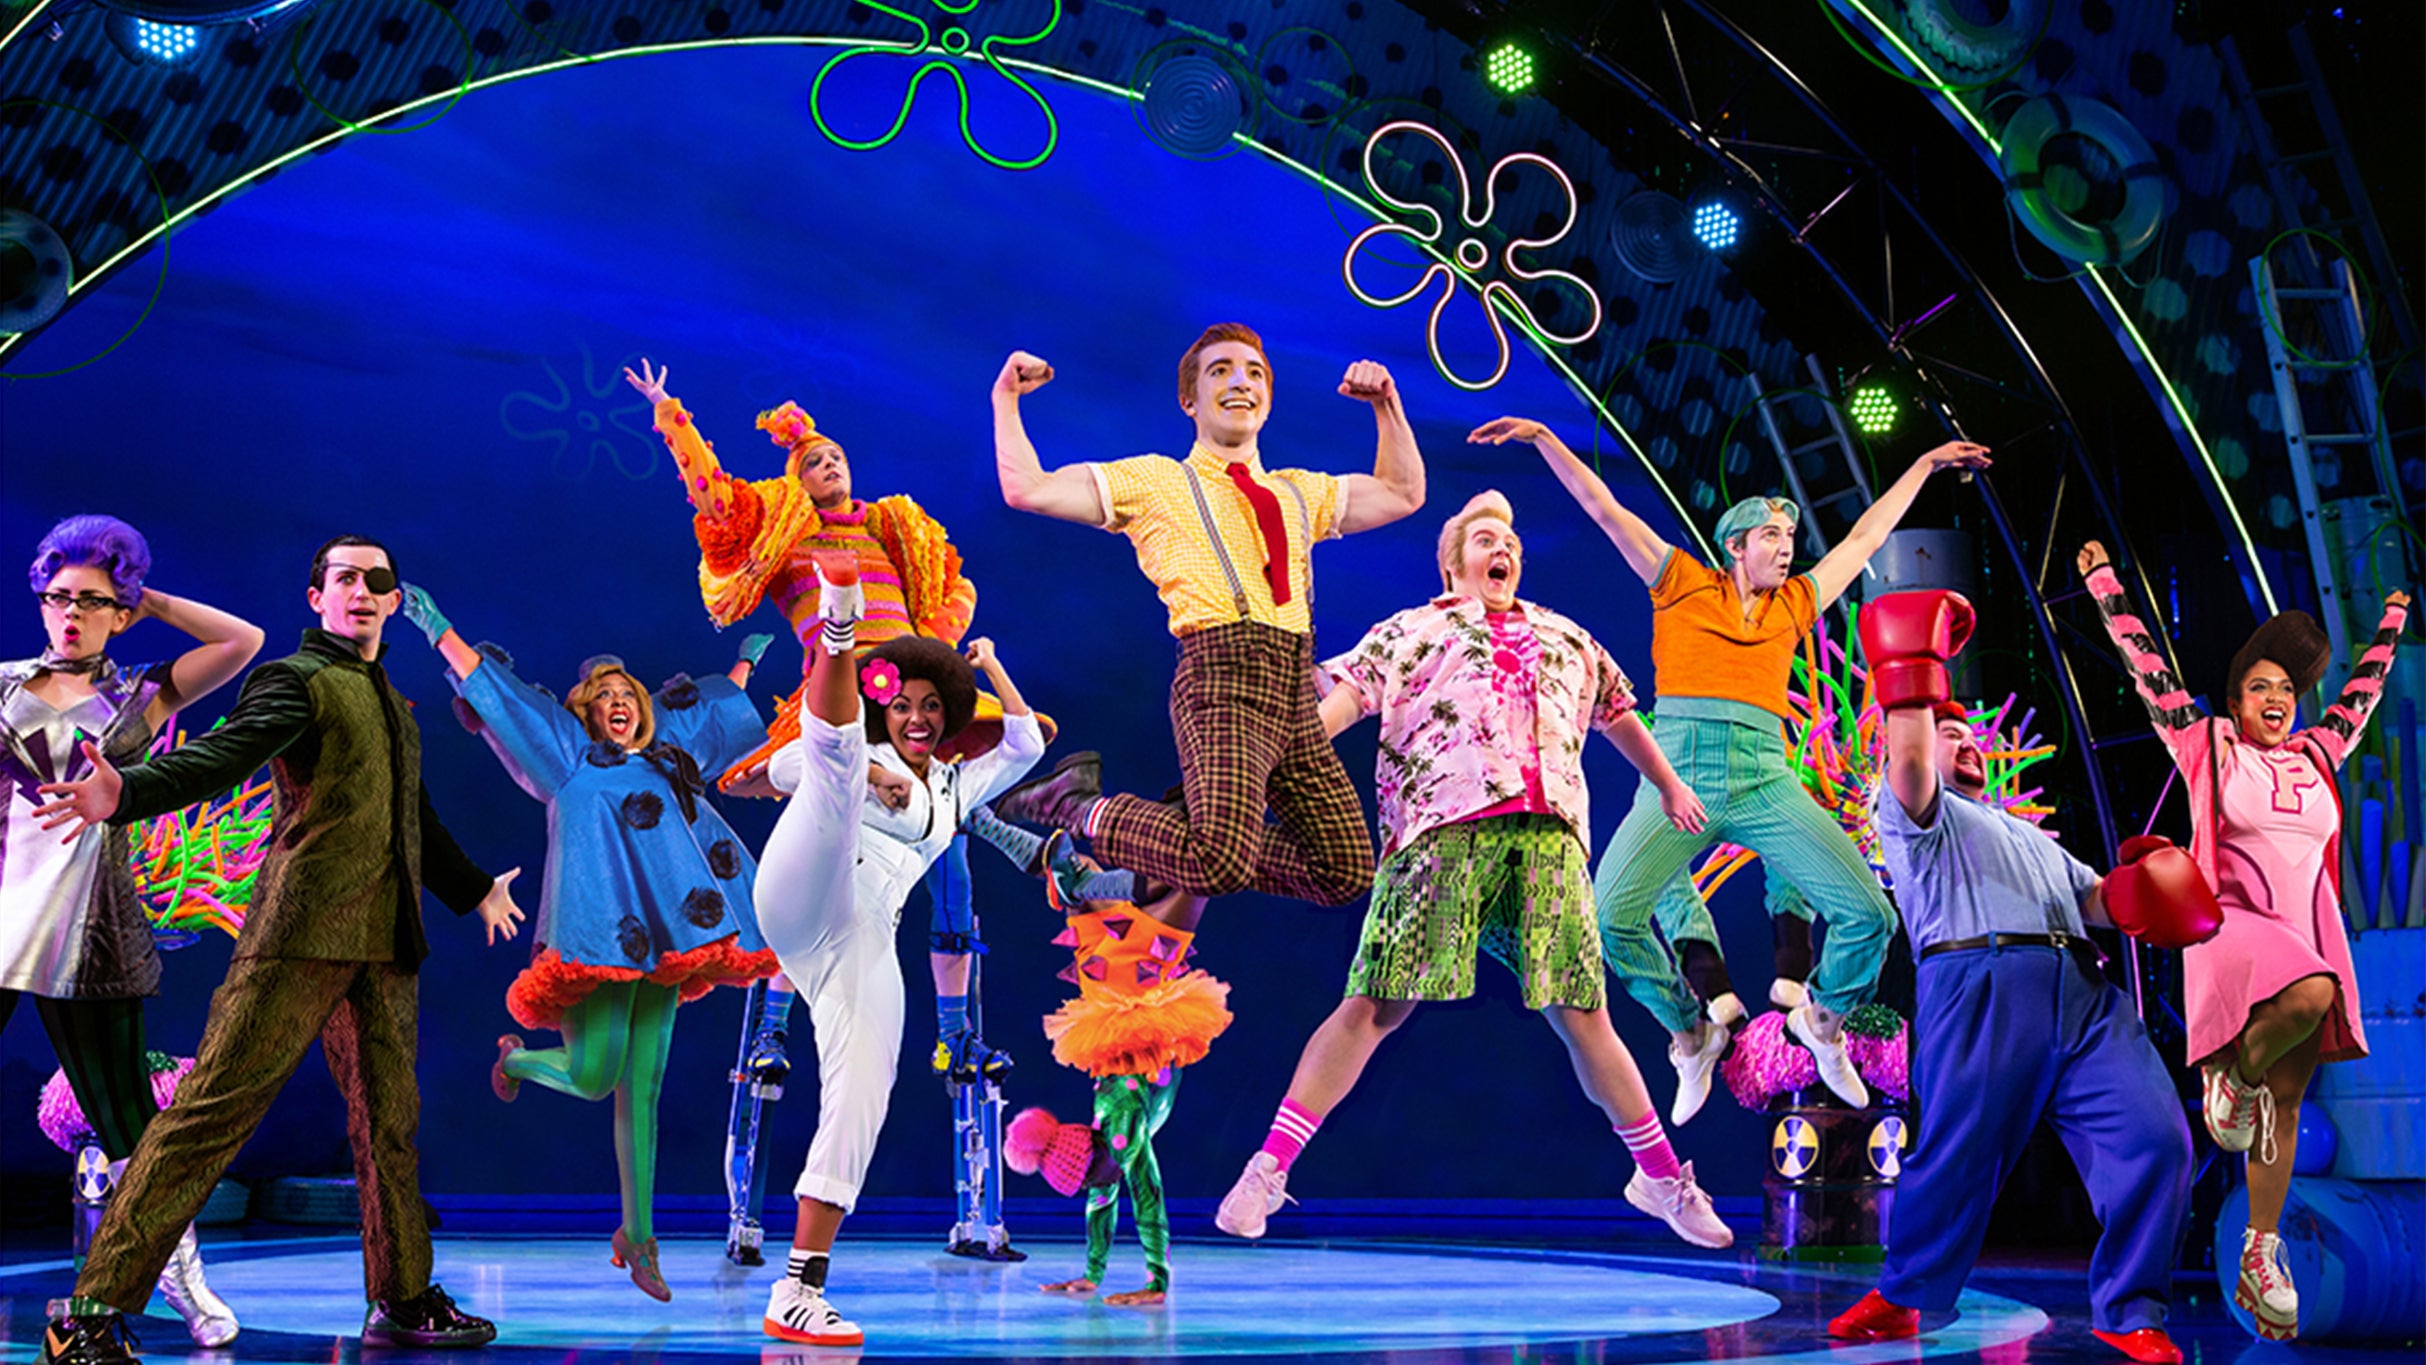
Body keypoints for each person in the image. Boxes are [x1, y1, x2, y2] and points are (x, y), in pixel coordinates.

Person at [33, 536, 525, 1365]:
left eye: (376, 581)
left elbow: (412, 817)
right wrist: (129, 791)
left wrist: (475, 888)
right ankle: (87, 1311)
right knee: (207, 1116)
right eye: (344, 578)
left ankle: (403, 1295)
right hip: (299, 935)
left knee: (390, 1126)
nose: (361, 591)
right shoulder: (296, 680)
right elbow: (223, 756)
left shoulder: (389, 700)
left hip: (384, 942)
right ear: (316, 598)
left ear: (393, 601)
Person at [1215, 491, 1732, 1250]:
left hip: (1550, 835)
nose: (1505, 549)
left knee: (1583, 1013)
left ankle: (1658, 1178)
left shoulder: (1566, 634)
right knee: (1376, 1004)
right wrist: (1274, 769)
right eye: (1487, 539)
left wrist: (1669, 784)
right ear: (1453, 563)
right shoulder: (1412, 629)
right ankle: (1267, 1168)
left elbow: (1618, 712)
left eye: (1511, 542)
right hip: (1442, 829)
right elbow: (1344, 702)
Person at [625, 359, 1050, 1261]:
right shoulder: (783, 533)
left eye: (836, 456)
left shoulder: (896, 528)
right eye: (812, 460)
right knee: (830, 846)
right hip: (847, 702)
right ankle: (777, 1030)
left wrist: (957, 662)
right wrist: (670, 414)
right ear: (794, 478)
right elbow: (715, 498)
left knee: (944, 839)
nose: (828, 466)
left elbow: (955, 606)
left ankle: (957, 1035)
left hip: (914, 703)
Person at [1488, 414, 1989, 1110]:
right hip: (1677, 774)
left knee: (1868, 915)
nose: (1786, 550)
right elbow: (1605, 510)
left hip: (1763, 776)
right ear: (1735, 545)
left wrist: (1925, 464)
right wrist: (1547, 440)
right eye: (1772, 537)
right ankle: (1691, 1032)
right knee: (1611, 918)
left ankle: (1822, 1023)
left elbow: (1865, 538)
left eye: (1790, 538)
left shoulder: (1796, 603)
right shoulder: (1680, 581)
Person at [1826, 587, 2195, 1365]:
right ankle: (1903, 1293)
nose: (1964, 740)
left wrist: (2144, 889)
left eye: (1969, 732)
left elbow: (2096, 900)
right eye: (1948, 729)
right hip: (1979, 981)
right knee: (1954, 1154)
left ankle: (2132, 1310)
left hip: (2082, 992)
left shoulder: (2028, 834)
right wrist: (1913, 674)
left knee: (2156, 1136)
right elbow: (1910, 758)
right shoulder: (1912, 814)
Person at [396, 585, 780, 1301]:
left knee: (644, 1089)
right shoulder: (569, 754)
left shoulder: (667, 753)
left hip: (670, 935)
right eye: (603, 696)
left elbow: (711, 710)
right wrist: (438, 627)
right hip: (602, 932)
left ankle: (639, 1236)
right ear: (585, 713)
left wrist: (746, 664)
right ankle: (519, 1059)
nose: (618, 701)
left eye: (626, 692)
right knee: (596, 1074)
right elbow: (505, 700)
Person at [2079, 541, 2408, 1341]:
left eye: (2287, 688)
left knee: (2285, 1105)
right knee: (2313, 992)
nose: (2277, 697)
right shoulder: (2209, 743)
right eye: (2260, 685)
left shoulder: (2318, 754)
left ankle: (2262, 1252)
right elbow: (2147, 665)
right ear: (2235, 699)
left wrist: (2392, 624)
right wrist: (2104, 585)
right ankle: (2231, 1074)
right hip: (2235, 924)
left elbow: (2362, 695)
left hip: (2305, 925)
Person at [986, 324, 1423, 906]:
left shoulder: (1299, 491)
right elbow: (1029, 488)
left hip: (1294, 688)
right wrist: (1006, 399)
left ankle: (1200, 827)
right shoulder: (1156, 479)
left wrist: (1386, 406)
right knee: (1219, 861)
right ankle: (1077, 805)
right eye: (1220, 371)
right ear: (1189, 400)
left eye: (1254, 373)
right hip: (1222, 677)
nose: (1240, 382)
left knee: (1342, 869)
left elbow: (1402, 493)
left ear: (1267, 399)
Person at [750, 554, 1045, 1346]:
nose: (916, 717)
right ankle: (840, 618)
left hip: (862, 934)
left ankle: (799, 1287)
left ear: (948, 717)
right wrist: (862, 778)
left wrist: (989, 664)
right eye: (903, 703)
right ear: (885, 705)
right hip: (807, 884)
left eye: (931, 706)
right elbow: (789, 763)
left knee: (865, 1088)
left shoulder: (954, 785)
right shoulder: (867, 750)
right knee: (837, 766)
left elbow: (1024, 742)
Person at [2, 515, 261, 1347]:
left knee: (126, 1126)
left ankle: (176, 1273)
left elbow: (243, 641)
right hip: (4, 918)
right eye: (58, 596)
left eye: (92, 599)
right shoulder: (2, 686)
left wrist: (150, 602)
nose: (70, 613)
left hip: (89, 930)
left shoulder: (141, 692)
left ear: (120, 610)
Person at [1006, 879, 1225, 1307]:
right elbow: (1100, 1203)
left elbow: (1148, 1194)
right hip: (1120, 984)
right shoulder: (1103, 1139)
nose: (1099, 1188)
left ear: (1095, 1155)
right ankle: (1066, 864)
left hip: (1133, 980)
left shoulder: (1121, 1128)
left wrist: (1157, 1282)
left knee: (1201, 875)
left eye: (1091, 1181)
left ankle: (1057, 856)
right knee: (1082, 893)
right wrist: (1092, 1275)